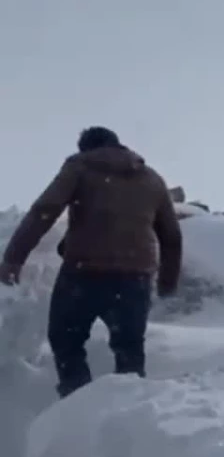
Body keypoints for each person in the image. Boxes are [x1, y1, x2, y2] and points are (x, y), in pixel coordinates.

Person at [0, 127, 182, 398]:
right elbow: (171, 236)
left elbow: (45, 210)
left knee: (67, 340)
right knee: (129, 347)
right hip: (135, 278)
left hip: (84, 273)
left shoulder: (80, 166)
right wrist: (167, 282)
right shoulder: (151, 178)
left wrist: (14, 258)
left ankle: (76, 403)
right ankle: (130, 412)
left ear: (86, 148)